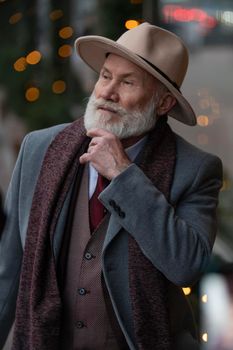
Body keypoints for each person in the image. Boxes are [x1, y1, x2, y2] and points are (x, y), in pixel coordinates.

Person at [0, 22, 222, 350]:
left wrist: (124, 174)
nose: (107, 92)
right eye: (105, 76)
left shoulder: (196, 170)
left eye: (127, 82)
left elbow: (185, 265)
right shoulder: (39, 148)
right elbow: (10, 268)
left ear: (163, 104)